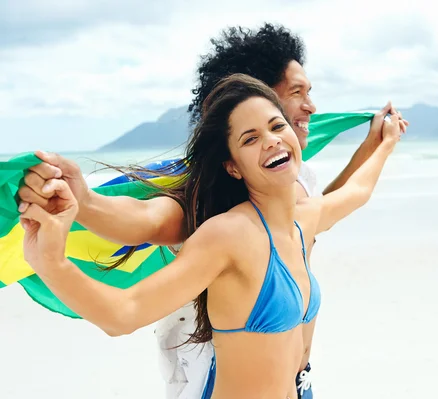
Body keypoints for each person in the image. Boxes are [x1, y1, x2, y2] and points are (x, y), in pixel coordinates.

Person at [17, 23, 407, 399]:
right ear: (231, 163)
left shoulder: (301, 214)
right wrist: (63, 238)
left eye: (276, 126)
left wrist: (382, 143)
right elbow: (128, 297)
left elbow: (356, 192)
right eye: (250, 136)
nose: (272, 139)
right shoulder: (224, 233)